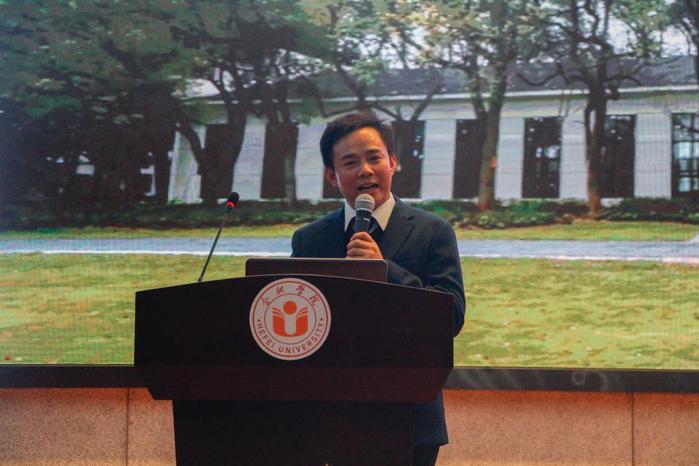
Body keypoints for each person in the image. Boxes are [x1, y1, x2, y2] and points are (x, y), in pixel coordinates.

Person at [291, 111, 466, 466]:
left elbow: (451, 317)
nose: (365, 171)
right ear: (331, 175)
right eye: (350, 162)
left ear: (393, 162)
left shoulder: (432, 231)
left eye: (374, 158)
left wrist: (385, 270)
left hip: (410, 417)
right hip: (329, 417)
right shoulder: (310, 240)